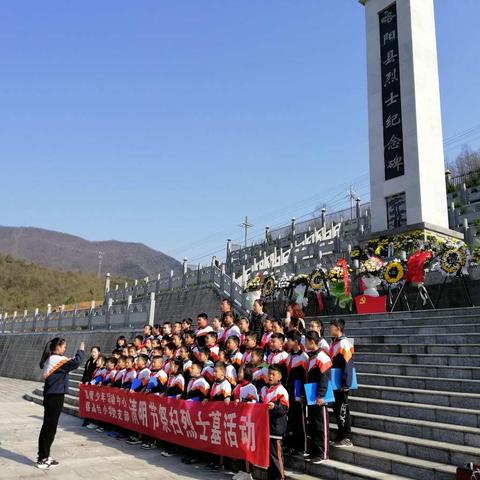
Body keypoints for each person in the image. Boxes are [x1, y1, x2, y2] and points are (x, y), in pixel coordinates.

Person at [37, 338, 85, 469]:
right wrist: (81, 350)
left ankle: (45, 455)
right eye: (64, 347)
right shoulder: (56, 359)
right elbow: (76, 362)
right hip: (54, 396)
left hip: (53, 395)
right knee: (49, 428)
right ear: (57, 347)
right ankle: (42, 458)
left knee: (49, 427)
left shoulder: (52, 358)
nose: (65, 349)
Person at [304, 331, 332, 463]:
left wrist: (321, 395)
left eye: (306, 341)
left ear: (312, 342)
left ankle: (323, 453)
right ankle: (314, 451)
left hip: (320, 397)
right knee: (313, 424)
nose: (304, 343)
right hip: (311, 396)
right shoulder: (311, 357)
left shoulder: (322, 357)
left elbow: (324, 379)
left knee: (321, 425)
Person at [261, 365, 289, 480]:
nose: (270, 376)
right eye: (269, 374)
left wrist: (275, 406)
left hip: (276, 427)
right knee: (269, 456)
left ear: (279, 377)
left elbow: (284, 408)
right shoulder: (264, 389)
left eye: (273, 374)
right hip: (266, 426)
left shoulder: (281, 390)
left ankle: (280, 477)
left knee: (276, 456)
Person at [330, 318, 354, 448]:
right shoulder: (335, 343)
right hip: (335, 381)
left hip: (342, 383)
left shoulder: (344, 343)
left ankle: (347, 437)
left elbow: (348, 364)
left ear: (338, 328)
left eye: (332, 327)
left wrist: (346, 383)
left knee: (343, 409)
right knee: (337, 408)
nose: (330, 329)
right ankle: (340, 435)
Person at [285, 330, 308, 456]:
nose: (287, 343)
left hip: (299, 393)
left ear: (296, 341)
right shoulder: (289, 356)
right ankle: (291, 445)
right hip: (289, 391)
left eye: (289, 340)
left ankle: (302, 446)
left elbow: (305, 378)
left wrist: (303, 394)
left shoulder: (303, 357)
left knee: (300, 420)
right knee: (291, 419)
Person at [80, 345, 100, 427]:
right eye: (92, 352)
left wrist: (91, 382)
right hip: (86, 384)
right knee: (87, 402)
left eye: (95, 352)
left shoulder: (99, 362)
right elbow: (85, 372)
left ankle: (92, 420)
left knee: (93, 403)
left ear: (99, 352)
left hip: (94, 385)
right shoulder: (89, 361)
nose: (93, 353)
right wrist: (82, 380)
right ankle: (86, 419)